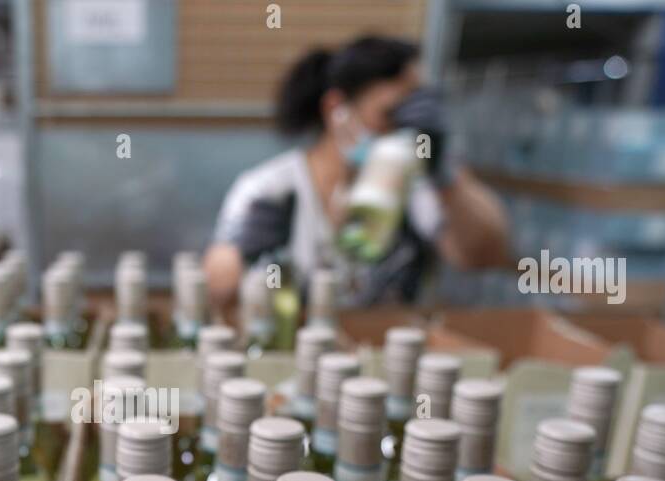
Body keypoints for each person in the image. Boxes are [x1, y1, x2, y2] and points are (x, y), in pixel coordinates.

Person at [204, 36, 511, 319]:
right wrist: (245, 254)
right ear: (336, 108)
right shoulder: (270, 188)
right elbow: (216, 291)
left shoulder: (417, 187)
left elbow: (483, 255)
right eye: (390, 115)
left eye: (414, 117)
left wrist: (445, 173)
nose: (400, 131)